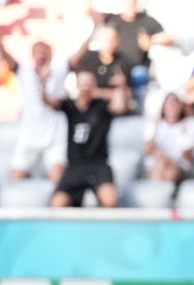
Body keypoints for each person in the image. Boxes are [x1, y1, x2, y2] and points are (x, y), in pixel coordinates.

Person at [43, 69, 129, 208]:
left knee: (110, 200)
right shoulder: (69, 106)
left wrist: (121, 87)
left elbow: (120, 107)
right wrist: (42, 82)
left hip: (98, 164)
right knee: (58, 203)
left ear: (94, 85)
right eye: (82, 83)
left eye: (89, 83)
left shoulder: (102, 106)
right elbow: (48, 102)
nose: (85, 87)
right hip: (75, 166)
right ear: (77, 85)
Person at [0, 37, 68, 182]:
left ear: (51, 55)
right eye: (38, 52)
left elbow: (50, 103)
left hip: (55, 138)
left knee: (58, 177)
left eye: (45, 52)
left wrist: (43, 83)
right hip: (29, 138)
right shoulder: (24, 72)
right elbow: (2, 50)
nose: (42, 56)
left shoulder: (60, 71)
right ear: (32, 55)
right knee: (16, 177)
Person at [105, 0, 172, 112]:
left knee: (140, 75)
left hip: (138, 68)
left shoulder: (146, 20)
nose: (132, 2)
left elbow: (168, 38)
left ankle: (139, 110)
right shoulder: (113, 20)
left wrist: (151, 40)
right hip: (116, 66)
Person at [144, 92, 194, 183]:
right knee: (166, 171)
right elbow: (147, 150)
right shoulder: (154, 125)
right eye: (169, 103)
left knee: (170, 172)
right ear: (163, 107)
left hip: (177, 165)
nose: (172, 106)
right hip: (158, 163)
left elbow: (189, 157)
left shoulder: (187, 126)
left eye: (175, 103)